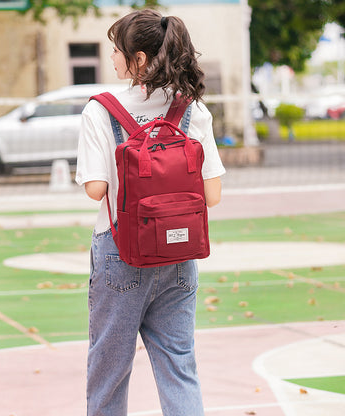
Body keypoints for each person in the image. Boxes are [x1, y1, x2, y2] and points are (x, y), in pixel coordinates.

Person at [75, 9, 226, 416]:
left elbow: (96, 189)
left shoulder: (100, 109)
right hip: (179, 254)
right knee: (179, 365)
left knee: (109, 371)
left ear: (138, 59)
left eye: (116, 49)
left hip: (120, 251)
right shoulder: (191, 108)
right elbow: (211, 195)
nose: (111, 56)